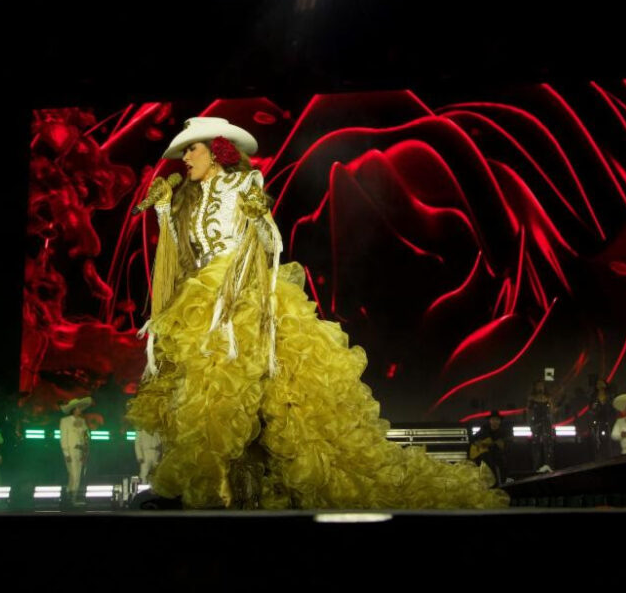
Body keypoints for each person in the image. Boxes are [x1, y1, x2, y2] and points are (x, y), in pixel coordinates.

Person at [125, 117, 505, 509]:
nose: (185, 158)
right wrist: (164, 212)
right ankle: (222, 489)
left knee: (253, 395)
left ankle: (227, 493)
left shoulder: (243, 184)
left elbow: (270, 240)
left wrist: (257, 220)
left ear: (217, 151)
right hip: (204, 299)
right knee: (211, 395)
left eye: (192, 148)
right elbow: (184, 256)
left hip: (244, 296)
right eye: (185, 150)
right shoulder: (190, 195)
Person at [60, 397, 92, 506]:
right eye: (78, 408)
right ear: (73, 409)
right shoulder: (65, 421)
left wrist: (85, 451)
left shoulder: (82, 421)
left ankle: (72, 499)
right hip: (71, 451)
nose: (80, 410)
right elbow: (63, 438)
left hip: (80, 451)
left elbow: (86, 436)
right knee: (73, 474)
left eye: (80, 408)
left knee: (77, 474)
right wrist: (66, 453)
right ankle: (69, 497)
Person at [469, 410, 510, 486]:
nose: (495, 422)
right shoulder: (484, 429)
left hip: (497, 455)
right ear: (490, 421)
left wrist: (501, 445)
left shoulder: (503, 432)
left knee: (503, 463)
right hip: (485, 456)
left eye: (497, 420)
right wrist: (477, 443)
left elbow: (506, 445)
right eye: (493, 419)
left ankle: (500, 483)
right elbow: (473, 438)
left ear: (500, 421)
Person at [527, 380, 558, 473]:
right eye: (538, 386)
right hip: (536, 423)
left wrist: (552, 406)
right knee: (536, 446)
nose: (540, 387)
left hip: (547, 423)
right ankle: (536, 468)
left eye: (542, 386)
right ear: (535, 387)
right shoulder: (532, 398)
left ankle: (549, 466)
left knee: (548, 445)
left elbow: (552, 411)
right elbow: (528, 411)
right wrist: (530, 424)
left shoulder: (549, 398)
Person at [587, 379, 617, 461]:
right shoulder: (594, 397)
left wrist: (612, 419)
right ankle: (599, 458)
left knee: (610, 442)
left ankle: (610, 458)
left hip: (609, 421)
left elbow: (614, 409)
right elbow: (590, 410)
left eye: (601, 383)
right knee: (599, 441)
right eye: (598, 383)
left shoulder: (611, 395)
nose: (600, 385)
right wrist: (593, 409)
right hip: (599, 422)